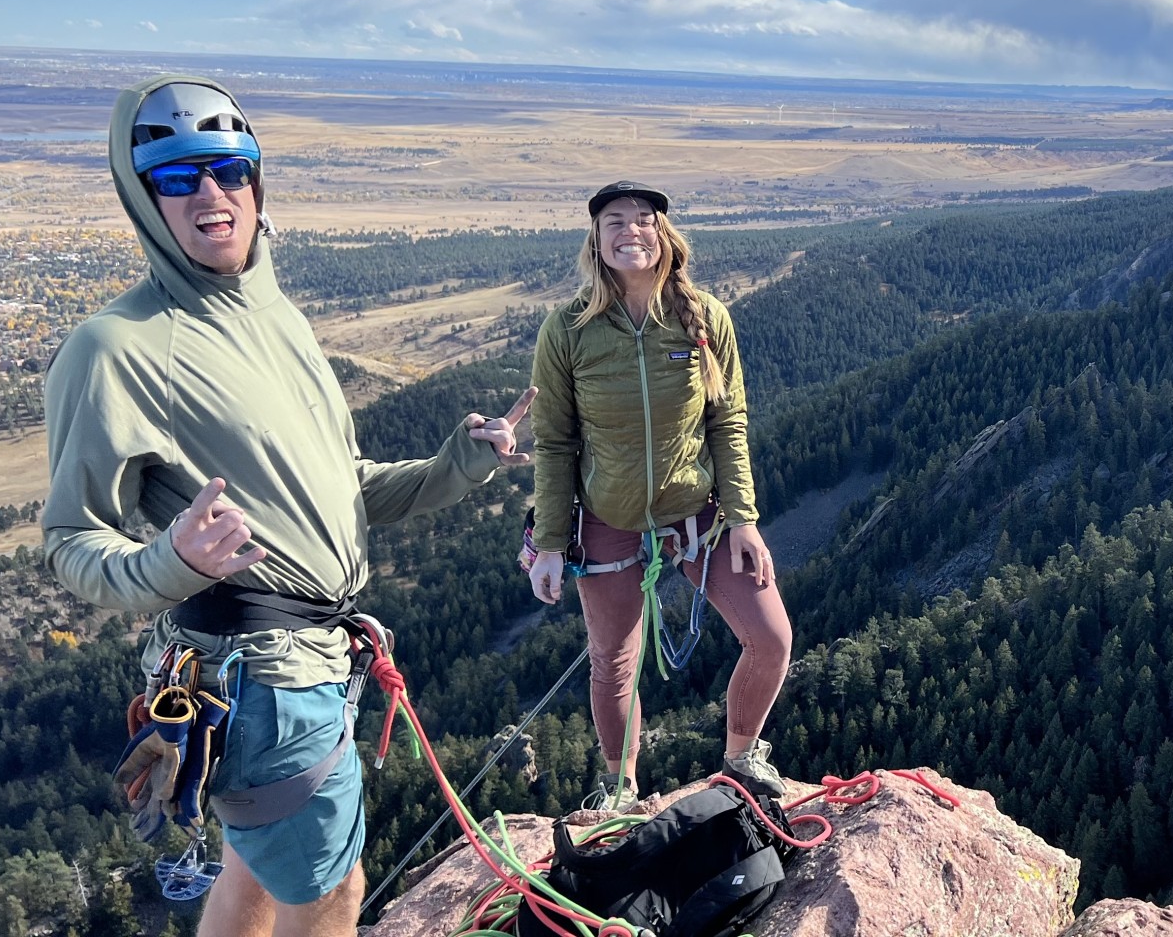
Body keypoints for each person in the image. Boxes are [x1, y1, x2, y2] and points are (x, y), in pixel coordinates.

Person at [44, 75, 534, 937]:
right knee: (331, 892)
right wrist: (170, 564)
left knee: (255, 871)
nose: (211, 194)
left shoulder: (276, 316)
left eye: (231, 170)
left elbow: (341, 486)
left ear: (258, 183)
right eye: (178, 177)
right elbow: (69, 541)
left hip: (302, 667)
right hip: (260, 678)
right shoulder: (115, 348)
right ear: (142, 199)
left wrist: (458, 466)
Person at [527, 180, 792, 806]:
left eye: (644, 219)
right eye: (614, 221)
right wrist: (550, 544)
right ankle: (620, 787)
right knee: (613, 662)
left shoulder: (705, 318)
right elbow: (555, 443)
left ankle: (741, 759)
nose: (631, 231)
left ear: (663, 234)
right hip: (607, 515)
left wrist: (744, 519)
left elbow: (727, 423)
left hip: (696, 511)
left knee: (772, 639)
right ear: (596, 240)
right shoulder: (567, 330)